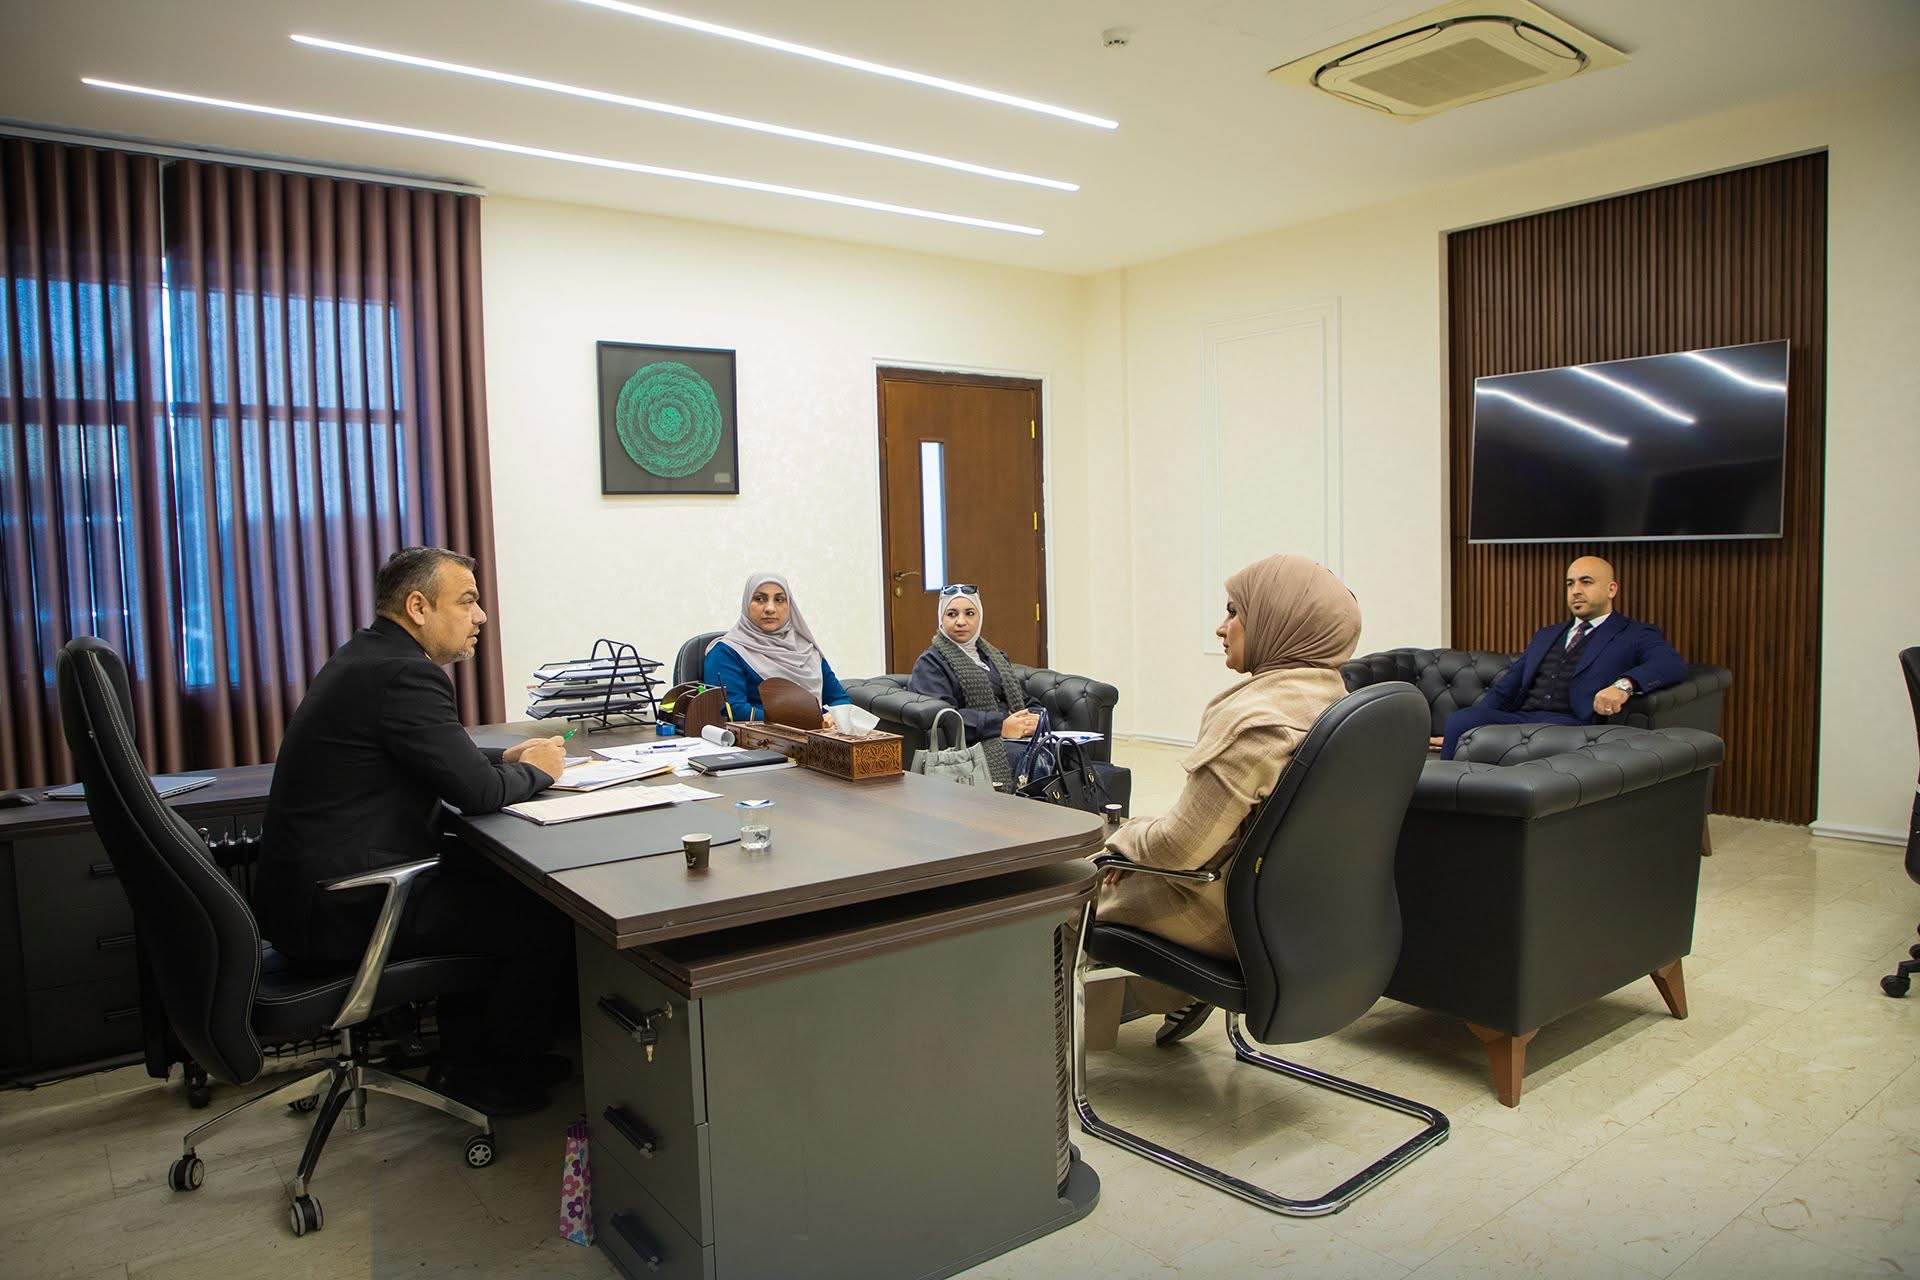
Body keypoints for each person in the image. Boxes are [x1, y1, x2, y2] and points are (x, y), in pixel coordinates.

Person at [257, 546, 574, 1114]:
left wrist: (506, 756)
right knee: (540, 918)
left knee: (496, 891)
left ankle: (478, 1058)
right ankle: (488, 1073)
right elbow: (476, 793)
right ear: (419, 607)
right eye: (467, 601)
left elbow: (425, 753)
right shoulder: (406, 672)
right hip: (351, 904)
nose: (481, 616)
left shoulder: (369, 654)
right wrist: (541, 771)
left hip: (312, 895)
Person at [1092, 553, 1360, 1048]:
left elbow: (1178, 850)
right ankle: (1166, 994)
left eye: (1235, 612)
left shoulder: (1258, 724)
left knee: (1062, 893)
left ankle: (1057, 1050)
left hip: (1224, 916)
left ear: (1280, 622)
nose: (1221, 627)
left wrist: (1122, 840)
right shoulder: (1338, 701)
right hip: (1303, 918)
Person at [1435, 555, 1688, 758]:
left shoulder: (1633, 633)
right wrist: (1466, 735)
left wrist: (1624, 686)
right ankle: (1443, 796)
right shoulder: (1546, 635)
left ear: (1611, 589)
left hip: (1573, 723)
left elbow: (1670, 664)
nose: (1576, 590)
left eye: (1586, 582)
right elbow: (1506, 689)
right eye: (1570, 584)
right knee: (1461, 720)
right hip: (1523, 717)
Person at [907, 585, 1041, 789]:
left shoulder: (995, 657)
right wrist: (1000, 726)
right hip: (974, 747)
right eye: (952, 614)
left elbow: (1025, 700)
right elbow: (946, 717)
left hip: (1016, 737)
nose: (961, 621)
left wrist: (1035, 719)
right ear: (941, 618)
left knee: (1067, 752)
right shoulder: (931, 663)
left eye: (969, 613)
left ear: (980, 617)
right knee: (1037, 759)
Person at [703, 572, 852, 727]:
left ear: (790, 606)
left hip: (818, 734)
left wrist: (835, 715)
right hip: (761, 738)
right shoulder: (727, 651)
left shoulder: (806, 650)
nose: (770, 608)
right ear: (747, 603)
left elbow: (840, 699)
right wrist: (801, 721)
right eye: (760, 599)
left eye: (779, 600)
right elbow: (734, 710)